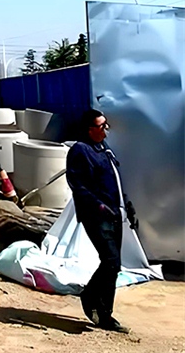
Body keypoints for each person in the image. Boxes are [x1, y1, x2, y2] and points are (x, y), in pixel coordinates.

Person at [66, 108, 138, 334]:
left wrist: (127, 206)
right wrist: (98, 206)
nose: (106, 129)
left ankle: (105, 313)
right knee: (111, 261)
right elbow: (78, 185)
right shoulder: (81, 150)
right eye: (101, 125)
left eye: (106, 124)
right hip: (96, 216)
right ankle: (90, 297)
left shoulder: (103, 149)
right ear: (89, 130)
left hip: (115, 214)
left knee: (114, 266)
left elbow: (114, 182)